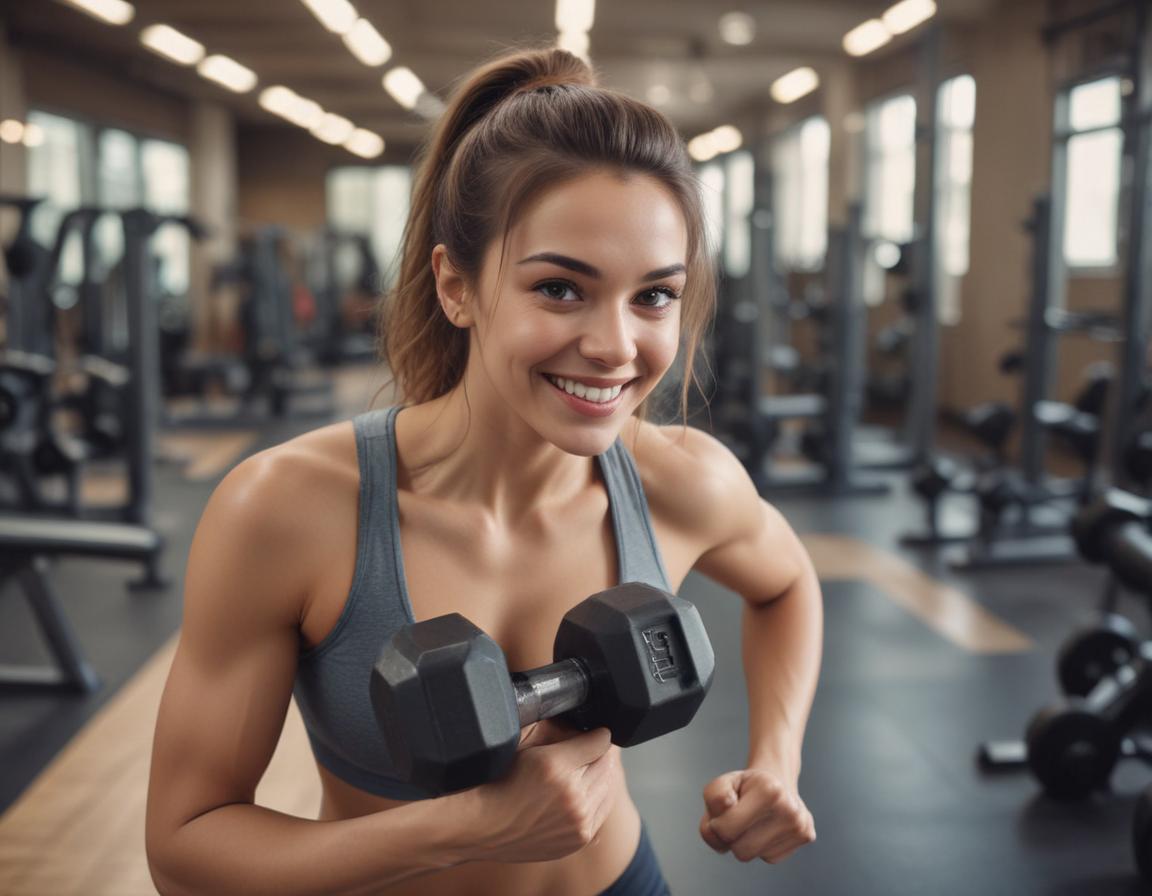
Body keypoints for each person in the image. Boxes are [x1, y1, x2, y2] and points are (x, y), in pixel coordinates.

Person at [145, 46, 823, 896]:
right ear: (455, 286)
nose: (616, 346)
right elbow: (183, 849)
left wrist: (777, 761)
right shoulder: (290, 510)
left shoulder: (681, 481)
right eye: (561, 290)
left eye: (654, 295)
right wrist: (459, 830)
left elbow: (787, 582)